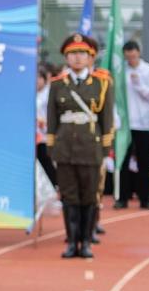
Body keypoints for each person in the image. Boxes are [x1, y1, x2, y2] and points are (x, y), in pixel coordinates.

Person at [44, 33, 113, 259]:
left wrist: (105, 149)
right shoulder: (57, 85)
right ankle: (72, 242)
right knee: (69, 197)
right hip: (65, 148)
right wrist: (52, 147)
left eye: (81, 53)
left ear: (90, 57)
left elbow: (106, 119)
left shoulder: (102, 83)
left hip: (90, 148)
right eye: (72, 53)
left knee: (89, 197)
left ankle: (86, 243)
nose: (77, 58)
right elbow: (52, 119)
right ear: (66, 57)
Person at [117, 40, 149, 209]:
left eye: (133, 56)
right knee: (123, 161)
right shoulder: (121, 70)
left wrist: (138, 84)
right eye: (128, 57)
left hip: (143, 123)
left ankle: (145, 199)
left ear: (138, 53)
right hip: (125, 124)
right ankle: (122, 198)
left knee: (144, 162)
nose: (131, 60)